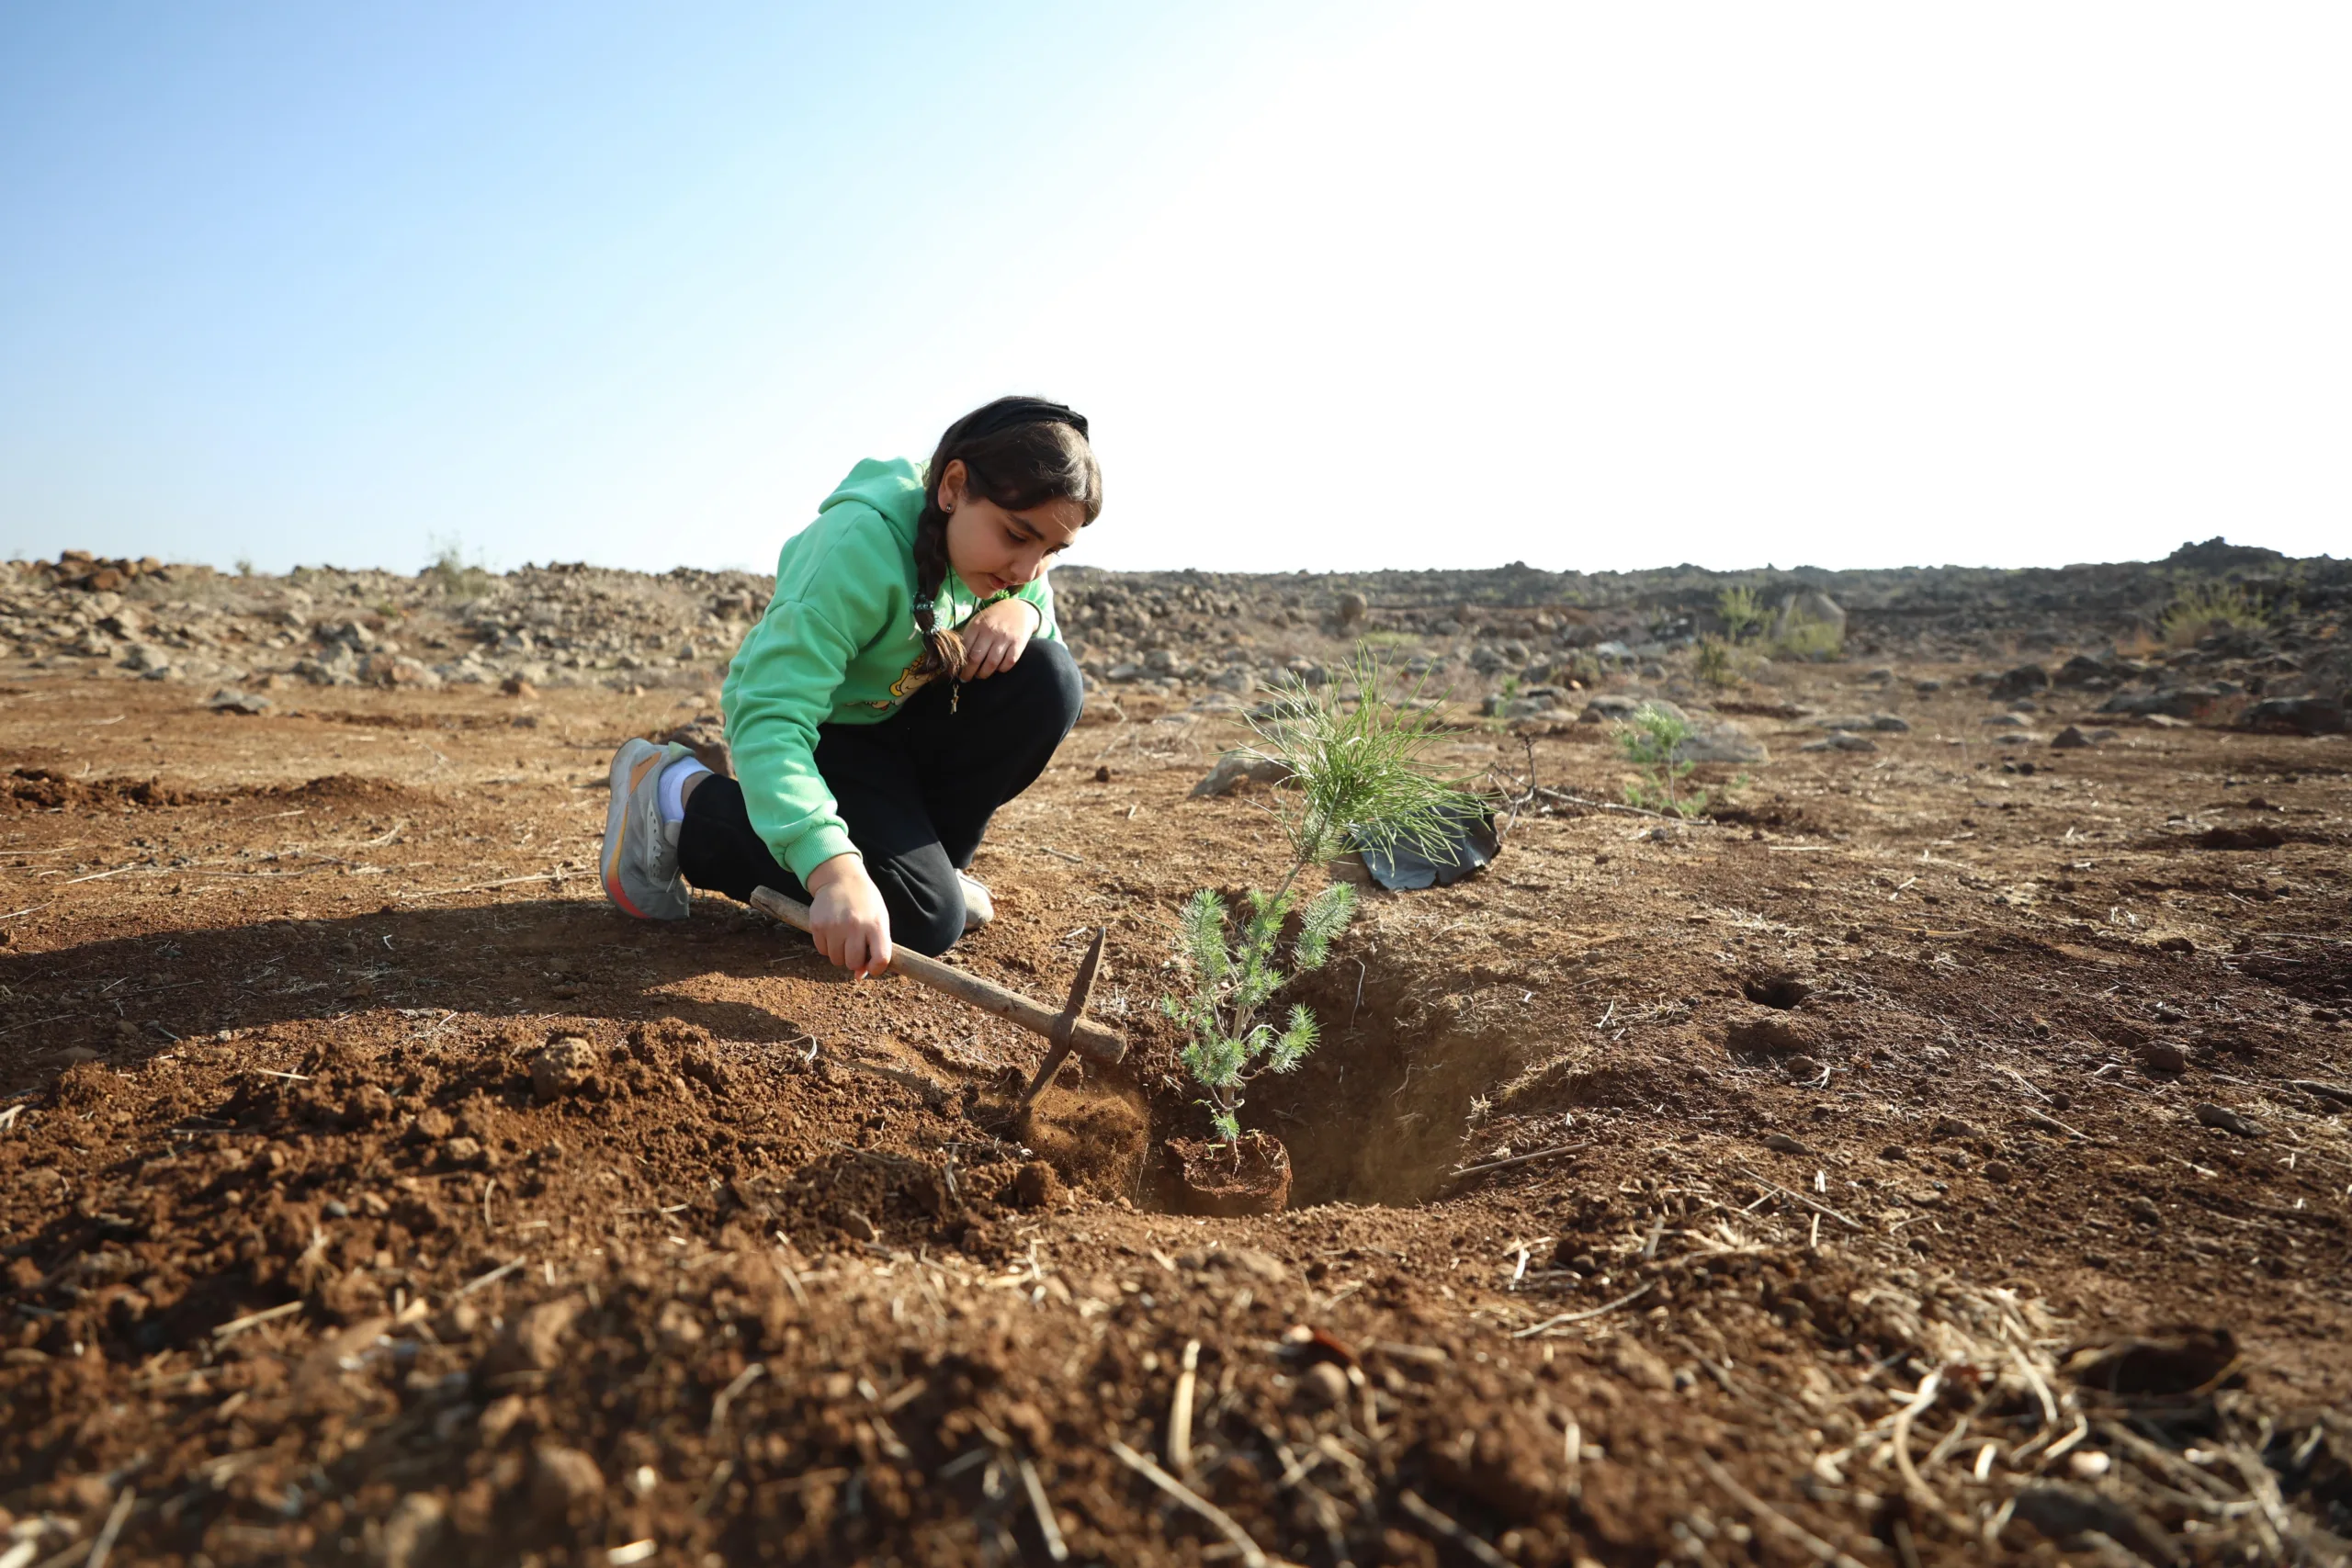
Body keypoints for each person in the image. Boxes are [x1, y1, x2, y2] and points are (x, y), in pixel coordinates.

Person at [599, 396, 1097, 976]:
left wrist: (1025, 614)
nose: (1026, 569)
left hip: (895, 729)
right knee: (922, 922)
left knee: (1049, 679)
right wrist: (833, 871)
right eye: (1017, 535)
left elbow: (1036, 605)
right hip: (819, 739)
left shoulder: (1008, 572)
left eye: (1051, 552)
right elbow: (771, 717)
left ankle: (933, 863)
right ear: (953, 486)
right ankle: (677, 793)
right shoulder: (855, 546)